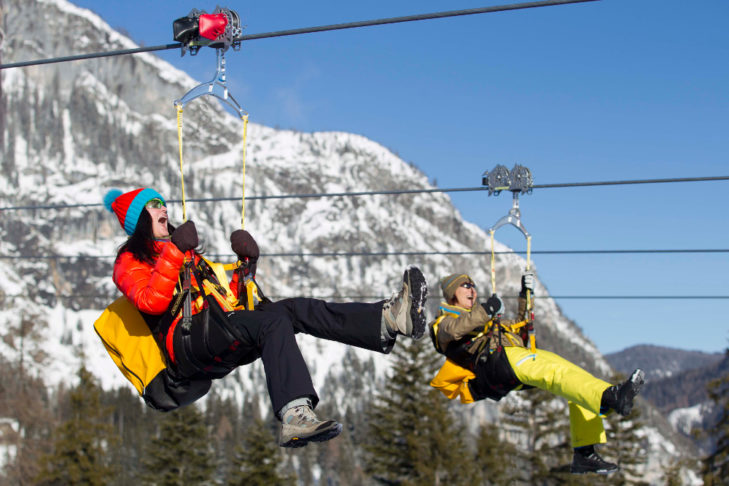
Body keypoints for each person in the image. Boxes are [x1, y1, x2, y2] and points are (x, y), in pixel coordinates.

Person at [104, 187, 428, 448]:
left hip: (212, 330)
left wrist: (246, 265)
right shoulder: (130, 260)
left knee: (294, 310)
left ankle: (388, 320)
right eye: (155, 204)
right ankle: (295, 416)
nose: (164, 208)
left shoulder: (182, 253)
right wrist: (175, 251)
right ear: (139, 218)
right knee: (273, 323)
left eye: (162, 202)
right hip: (188, 343)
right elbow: (151, 302)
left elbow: (224, 300)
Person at [429, 272, 645, 475]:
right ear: (452, 294)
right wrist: (486, 310)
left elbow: (518, 326)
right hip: (495, 364)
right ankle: (610, 397)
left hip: (512, 359)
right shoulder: (444, 322)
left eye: (473, 285)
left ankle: (585, 452)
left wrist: (525, 296)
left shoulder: (486, 320)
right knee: (555, 373)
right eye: (465, 286)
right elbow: (455, 329)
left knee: (572, 374)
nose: (472, 290)